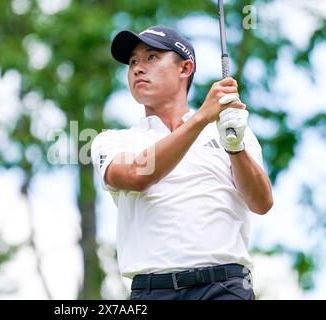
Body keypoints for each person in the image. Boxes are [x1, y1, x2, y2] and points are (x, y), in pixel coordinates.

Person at [90, 26, 273, 300]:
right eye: (133, 62)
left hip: (224, 287)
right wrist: (201, 118)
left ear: (185, 68)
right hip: (152, 291)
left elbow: (261, 203)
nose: (138, 68)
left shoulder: (229, 131)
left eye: (151, 57)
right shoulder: (113, 141)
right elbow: (136, 174)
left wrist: (235, 148)